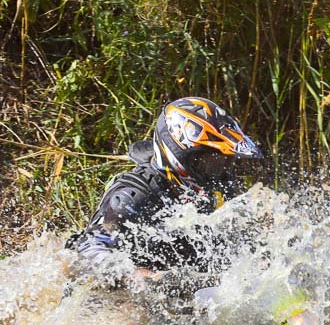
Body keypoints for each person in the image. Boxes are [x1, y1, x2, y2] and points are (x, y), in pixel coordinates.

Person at [69, 96, 265, 277]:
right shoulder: (134, 198)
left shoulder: (218, 186)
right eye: (211, 161)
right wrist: (138, 277)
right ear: (183, 155)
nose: (219, 169)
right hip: (131, 290)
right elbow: (87, 248)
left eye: (224, 161)